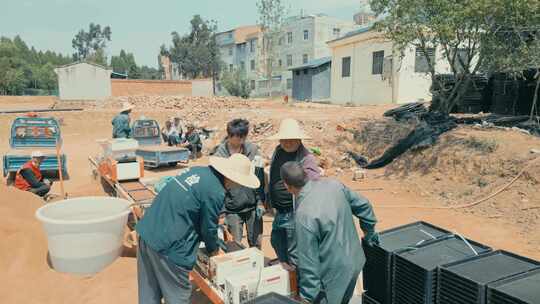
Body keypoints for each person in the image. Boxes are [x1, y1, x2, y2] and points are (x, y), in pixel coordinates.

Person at [135, 154, 260, 304]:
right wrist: (215, 251)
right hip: (170, 246)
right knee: (177, 297)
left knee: (148, 295)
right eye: (240, 183)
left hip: (147, 232)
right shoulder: (215, 191)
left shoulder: (198, 171)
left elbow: (195, 210)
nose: (239, 186)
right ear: (232, 178)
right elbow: (208, 228)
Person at [280, 161, 379, 304]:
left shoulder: (304, 215)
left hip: (333, 278)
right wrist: (369, 232)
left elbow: (309, 262)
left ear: (286, 186)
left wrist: (306, 297)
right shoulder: (333, 185)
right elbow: (364, 205)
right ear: (306, 175)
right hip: (355, 262)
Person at [267, 118, 320, 269]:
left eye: (291, 139)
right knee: (277, 240)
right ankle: (286, 270)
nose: (287, 143)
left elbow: (314, 184)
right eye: (284, 139)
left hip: (294, 211)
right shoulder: (278, 151)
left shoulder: (306, 158)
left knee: (294, 249)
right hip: (279, 210)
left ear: (299, 139)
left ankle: (298, 280)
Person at [213, 119, 265, 248]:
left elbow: (259, 178)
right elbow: (217, 185)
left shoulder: (252, 150)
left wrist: (260, 202)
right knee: (235, 244)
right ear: (230, 135)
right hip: (232, 209)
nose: (241, 140)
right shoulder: (220, 155)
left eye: (244, 137)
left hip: (252, 207)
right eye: (238, 137)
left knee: (256, 244)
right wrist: (222, 212)